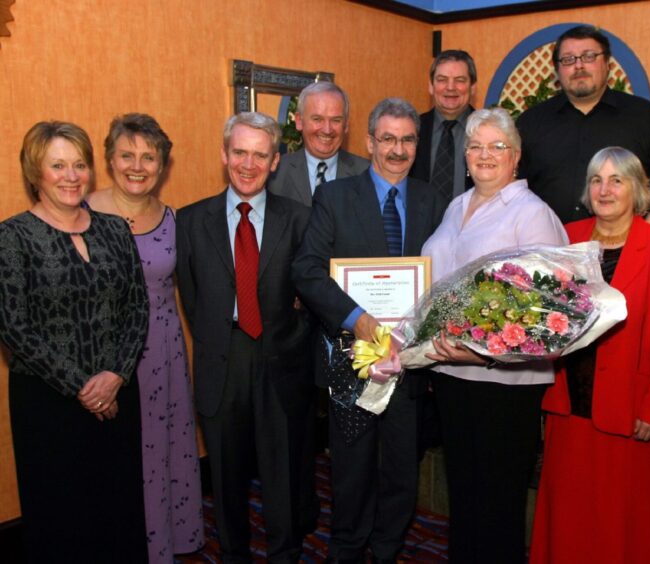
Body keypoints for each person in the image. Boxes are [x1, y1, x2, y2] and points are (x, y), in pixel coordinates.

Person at [292, 98, 447, 564]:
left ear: (416, 145)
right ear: (369, 142)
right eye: (387, 139)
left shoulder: (432, 200)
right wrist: (357, 319)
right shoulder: (336, 197)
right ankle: (347, 548)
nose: (397, 150)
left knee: (401, 468)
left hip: (409, 360)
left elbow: (443, 277)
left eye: (406, 139)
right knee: (352, 467)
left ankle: (388, 549)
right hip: (351, 358)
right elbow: (307, 270)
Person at [421, 107, 569, 563]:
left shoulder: (533, 214)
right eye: (475, 146)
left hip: (503, 387)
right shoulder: (456, 205)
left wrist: (479, 354)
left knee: (498, 502)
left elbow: (550, 314)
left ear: (516, 156)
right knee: (465, 497)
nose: (485, 155)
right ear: (465, 155)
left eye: (496, 146)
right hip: (452, 377)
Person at [529, 147, 650, 564]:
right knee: (568, 510)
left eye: (617, 180)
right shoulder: (568, 237)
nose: (605, 189)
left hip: (630, 407)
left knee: (623, 518)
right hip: (568, 404)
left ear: (638, 190)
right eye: (597, 179)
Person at [0, 121, 149, 562]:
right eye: (58, 165)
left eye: (79, 164)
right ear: (35, 173)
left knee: (119, 510)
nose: (71, 176)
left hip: (119, 397)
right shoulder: (12, 237)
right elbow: (13, 326)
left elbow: (137, 309)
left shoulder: (115, 229)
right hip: (49, 404)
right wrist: (86, 387)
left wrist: (114, 377)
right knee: (62, 518)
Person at [176, 112, 317, 564]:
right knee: (226, 473)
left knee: (283, 473)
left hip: (282, 359)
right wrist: (221, 337)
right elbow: (193, 297)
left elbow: (313, 290)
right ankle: (233, 554)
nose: (249, 164)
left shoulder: (300, 219)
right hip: (223, 358)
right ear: (224, 155)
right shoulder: (190, 221)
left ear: (276, 161)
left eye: (261, 154)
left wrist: (292, 333)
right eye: (240, 152)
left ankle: (285, 553)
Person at [86, 113, 204, 563]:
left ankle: (164, 546)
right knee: (114, 456)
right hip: (102, 353)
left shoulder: (175, 219)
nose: (138, 165)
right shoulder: (84, 213)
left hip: (163, 352)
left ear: (162, 164)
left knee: (163, 450)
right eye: (127, 155)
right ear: (110, 159)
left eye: (149, 157)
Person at [517, 24, 650, 226]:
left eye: (589, 56)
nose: (578, 66)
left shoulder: (644, 116)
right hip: (548, 246)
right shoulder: (531, 121)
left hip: (624, 247)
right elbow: (515, 185)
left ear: (607, 63)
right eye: (568, 60)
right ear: (558, 69)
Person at [267, 81, 369, 205]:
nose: (327, 130)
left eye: (336, 120)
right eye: (317, 119)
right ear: (299, 121)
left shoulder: (367, 174)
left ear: (346, 125)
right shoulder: (274, 172)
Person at [410, 49, 477, 200]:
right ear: (431, 86)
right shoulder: (413, 129)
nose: (450, 87)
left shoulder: (488, 131)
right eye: (442, 79)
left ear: (472, 88)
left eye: (460, 80)